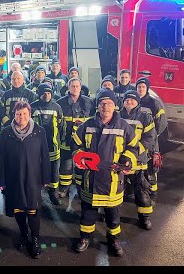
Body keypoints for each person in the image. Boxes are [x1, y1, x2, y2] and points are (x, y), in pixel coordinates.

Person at [71, 88, 139, 256]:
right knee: (88, 212)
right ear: (97, 106)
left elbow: (135, 147)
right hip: (91, 178)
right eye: (102, 103)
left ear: (114, 105)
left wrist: (127, 158)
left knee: (113, 214)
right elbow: (75, 145)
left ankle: (113, 239)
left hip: (113, 179)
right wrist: (80, 157)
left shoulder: (123, 126)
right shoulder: (87, 125)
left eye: (108, 103)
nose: (105, 107)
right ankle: (85, 237)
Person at [0, 101, 50, 259]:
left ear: (30, 114)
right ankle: (23, 233)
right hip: (14, 177)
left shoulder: (39, 131)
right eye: (18, 114)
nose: (22, 117)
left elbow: (45, 155)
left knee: (32, 210)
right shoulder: (6, 132)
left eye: (25, 114)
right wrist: (1, 180)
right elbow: (2, 158)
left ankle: (35, 239)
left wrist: (46, 176)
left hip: (33, 178)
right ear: (14, 115)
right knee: (19, 209)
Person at [120, 90, 157, 230]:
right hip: (120, 161)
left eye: (132, 100)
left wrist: (133, 153)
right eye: (127, 100)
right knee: (116, 192)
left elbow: (149, 139)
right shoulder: (117, 116)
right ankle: (111, 216)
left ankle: (144, 218)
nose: (129, 102)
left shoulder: (145, 117)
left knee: (142, 192)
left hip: (138, 162)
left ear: (138, 102)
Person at [56, 77, 95, 198]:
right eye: (72, 86)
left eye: (77, 86)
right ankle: (64, 188)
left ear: (81, 88)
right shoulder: (60, 102)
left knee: (82, 164)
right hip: (66, 138)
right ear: (68, 88)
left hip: (83, 140)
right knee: (66, 166)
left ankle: (81, 187)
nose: (75, 88)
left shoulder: (88, 102)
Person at [136, 76, 168, 205]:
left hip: (151, 140)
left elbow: (161, 123)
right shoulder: (134, 100)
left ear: (147, 88)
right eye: (139, 87)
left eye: (143, 87)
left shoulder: (154, 103)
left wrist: (153, 137)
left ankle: (153, 194)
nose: (141, 89)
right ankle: (139, 191)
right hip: (137, 141)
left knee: (151, 168)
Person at [31, 83, 64, 205]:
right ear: (39, 94)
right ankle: (36, 194)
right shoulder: (32, 107)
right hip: (36, 147)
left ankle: (53, 193)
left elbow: (61, 125)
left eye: (49, 93)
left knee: (54, 171)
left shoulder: (57, 107)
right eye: (44, 93)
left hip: (53, 145)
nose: (47, 95)